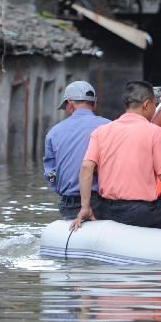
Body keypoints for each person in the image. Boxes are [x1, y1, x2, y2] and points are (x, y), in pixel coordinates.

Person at [70, 81, 161, 232]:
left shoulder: (101, 131)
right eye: (154, 105)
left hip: (105, 209)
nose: (155, 109)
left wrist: (85, 207)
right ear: (147, 105)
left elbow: (87, 167)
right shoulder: (154, 132)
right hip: (139, 212)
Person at [43, 81, 110, 219]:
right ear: (95, 103)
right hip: (103, 204)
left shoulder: (53, 133)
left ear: (70, 105)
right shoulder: (110, 127)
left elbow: (51, 175)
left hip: (69, 205)